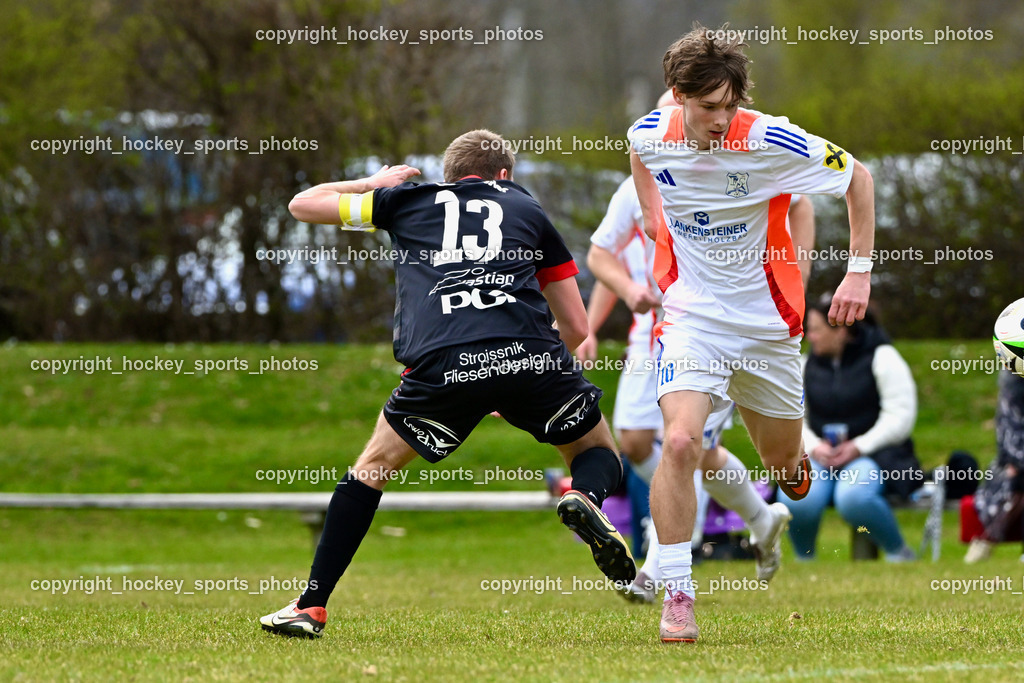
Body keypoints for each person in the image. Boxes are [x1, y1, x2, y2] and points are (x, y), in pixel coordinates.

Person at [260, 129, 635, 638]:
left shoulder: (406, 202)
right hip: (529, 354)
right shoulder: (527, 209)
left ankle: (312, 606)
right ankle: (585, 497)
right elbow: (576, 327)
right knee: (598, 451)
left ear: (449, 177)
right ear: (504, 176)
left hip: (443, 365)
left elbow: (303, 205)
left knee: (372, 469)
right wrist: (516, 373)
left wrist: (371, 182)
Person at [628, 24, 875, 643]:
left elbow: (859, 178)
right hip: (692, 317)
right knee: (681, 443)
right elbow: (640, 159)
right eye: (709, 107)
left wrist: (858, 275)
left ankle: (787, 481)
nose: (721, 118)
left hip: (768, 326)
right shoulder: (648, 135)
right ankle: (678, 594)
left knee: (782, 461)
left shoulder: (768, 138)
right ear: (676, 94)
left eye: (730, 105)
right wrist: (655, 216)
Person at [580, 150, 817, 602]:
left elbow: (801, 201)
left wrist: (797, 276)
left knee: (684, 445)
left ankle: (656, 570)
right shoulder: (638, 182)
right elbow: (599, 254)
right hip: (653, 334)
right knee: (640, 442)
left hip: (718, 334)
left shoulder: (738, 164)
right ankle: (760, 519)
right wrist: (614, 305)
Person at [782, 294, 920, 561]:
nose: (810, 337)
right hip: (820, 456)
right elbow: (790, 417)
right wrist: (814, 447)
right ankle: (805, 560)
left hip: (874, 455)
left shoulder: (883, 356)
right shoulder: (804, 365)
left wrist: (859, 447)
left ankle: (899, 553)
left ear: (841, 330)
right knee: (797, 498)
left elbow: (900, 416)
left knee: (854, 498)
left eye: (816, 330)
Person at [964, 369, 1024, 562]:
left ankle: (985, 542)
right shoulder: (1013, 389)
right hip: (1013, 466)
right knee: (1017, 480)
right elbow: (1010, 440)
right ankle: (986, 540)